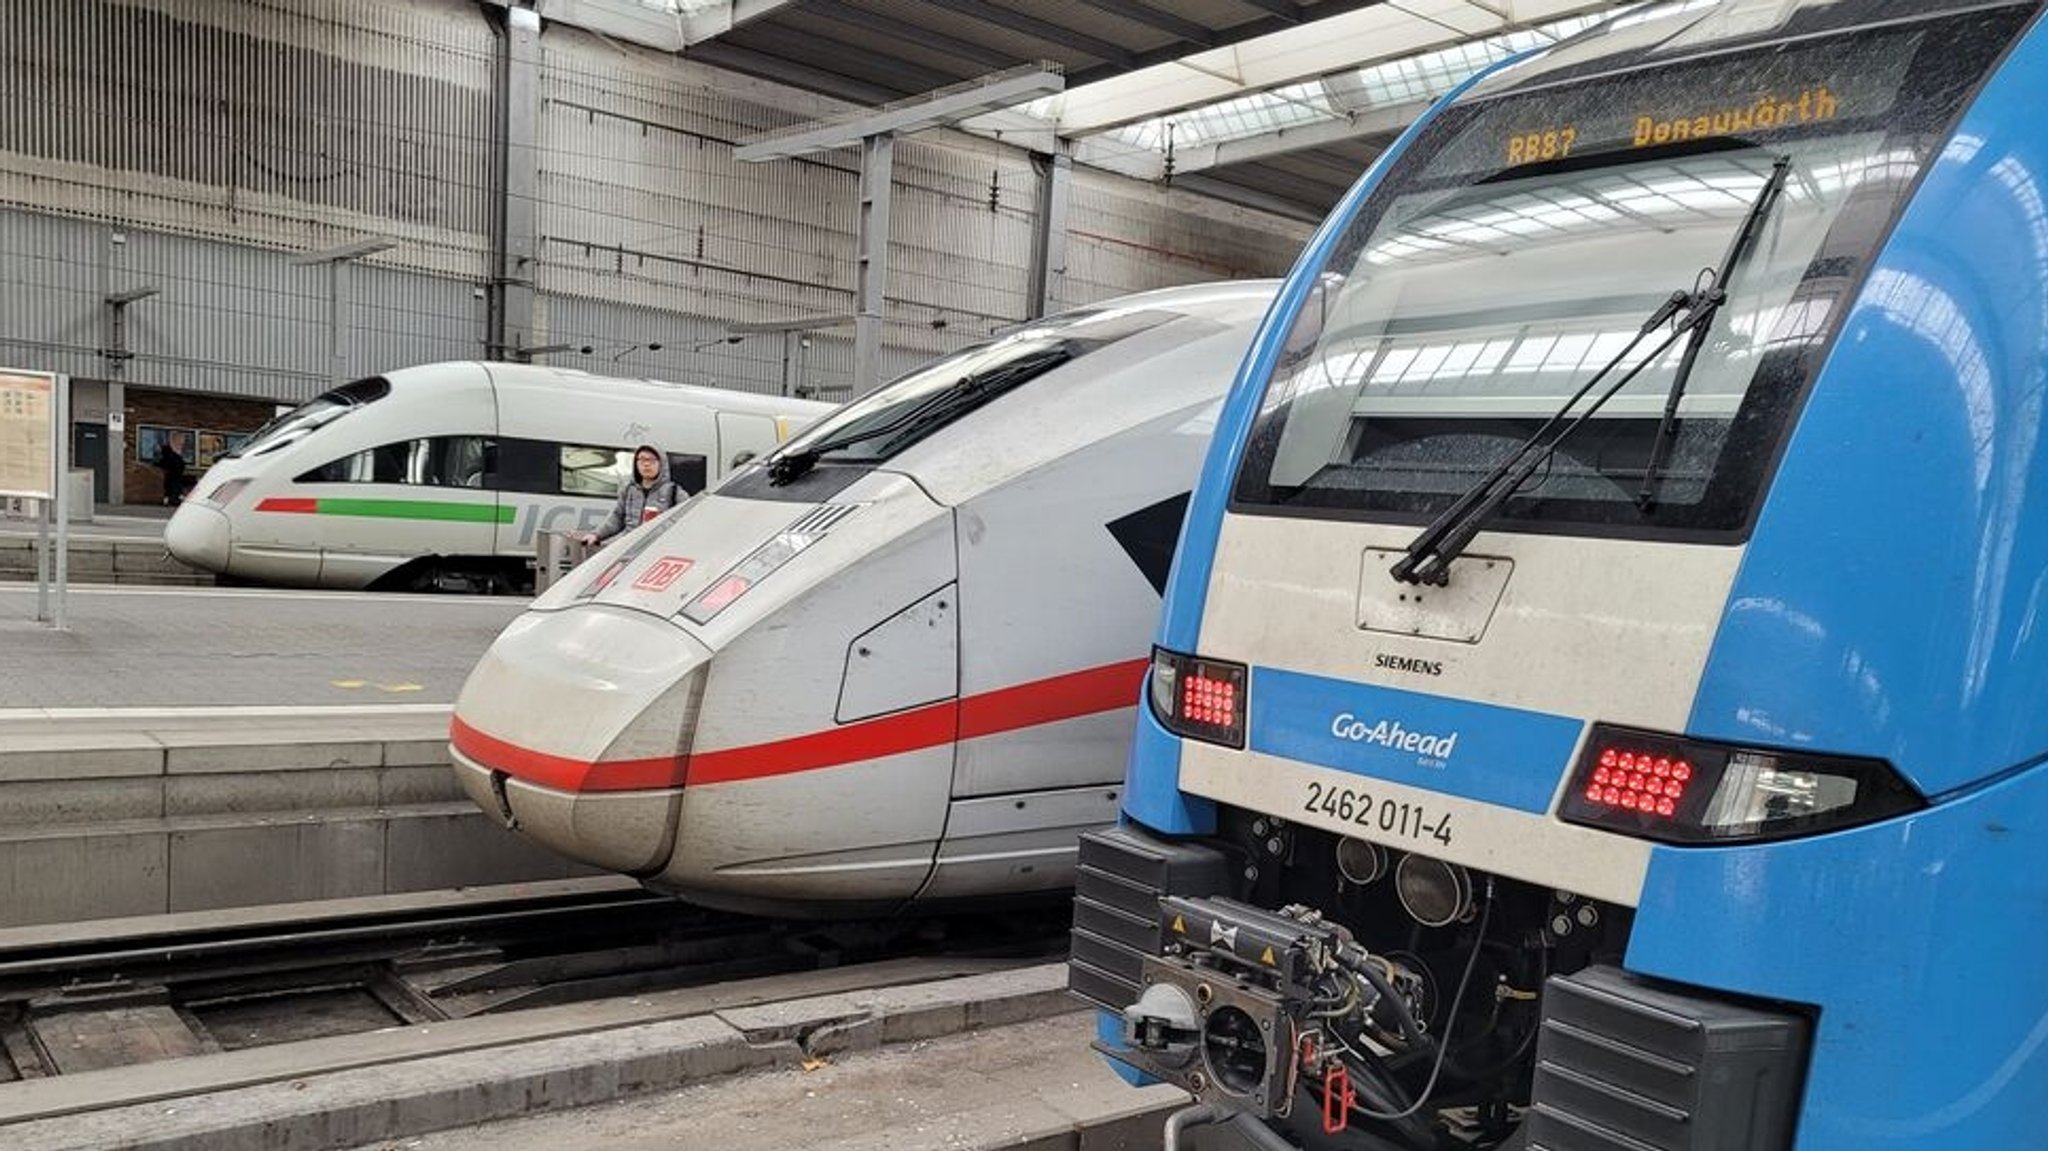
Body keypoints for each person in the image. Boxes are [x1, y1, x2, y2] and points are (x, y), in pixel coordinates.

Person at [578, 444, 683, 546]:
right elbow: (617, 517)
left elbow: (686, 523)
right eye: (641, 459)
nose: (646, 464)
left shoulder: (674, 492)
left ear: (662, 463)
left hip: (656, 550)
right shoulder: (628, 489)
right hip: (628, 547)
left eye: (651, 460)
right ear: (635, 463)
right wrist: (596, 535)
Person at [156, 433, 188, 506]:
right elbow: (183, 464)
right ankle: (180, 500)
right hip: (178, 476)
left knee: (168, 490)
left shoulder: (167, 457)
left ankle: (166, 501)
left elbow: (162, 464)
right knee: (178, 489)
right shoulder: (176, 456)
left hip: (171, 476)